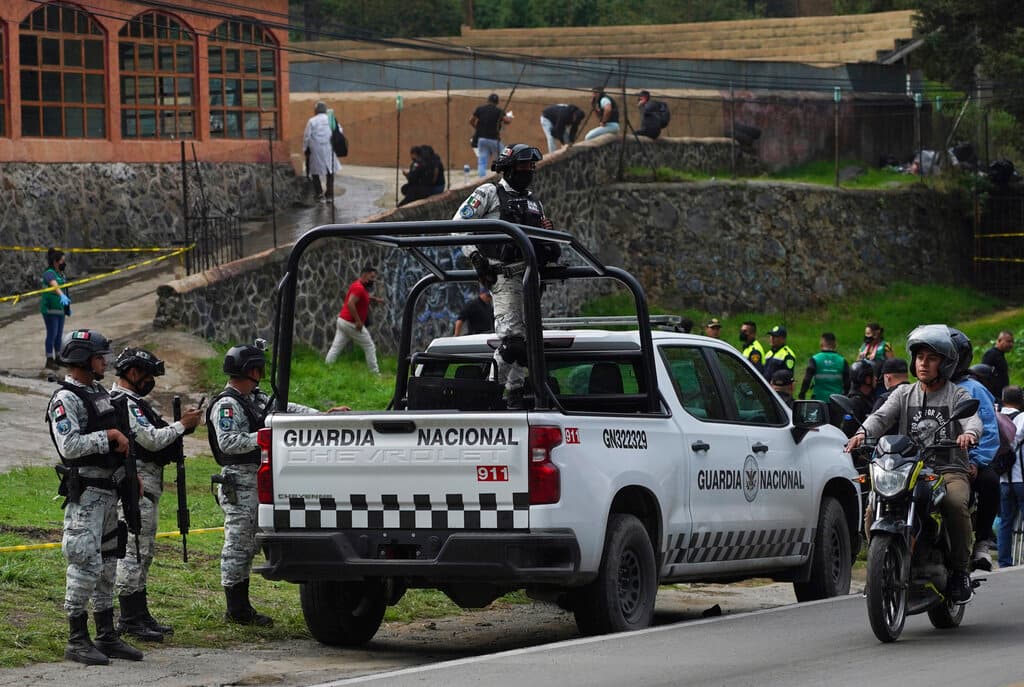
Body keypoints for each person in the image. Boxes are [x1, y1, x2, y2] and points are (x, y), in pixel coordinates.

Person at [207, 343, 349, 626]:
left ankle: (241, 607)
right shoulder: (227, 405)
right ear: (249, 370)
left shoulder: (257, 398)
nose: (261, 374)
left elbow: (287, 411)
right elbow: (228, 442)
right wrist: (265, 438)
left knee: (252, 542)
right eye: (257, 368)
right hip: (240, 479)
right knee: (239, 544)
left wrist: (321, 417)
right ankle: (236, 608)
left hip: (259, 478)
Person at [846, 324, 983, 603]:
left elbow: (973, 419)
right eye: (920, 357)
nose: (924, 363)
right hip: (908, 468)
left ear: (944, 364)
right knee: (874, 507)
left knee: (955, 505)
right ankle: (881, 569)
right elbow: (881, 417)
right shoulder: (903, 393)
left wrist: (970, 433)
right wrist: (862, 433)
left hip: (948, 470)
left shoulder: (957, 395)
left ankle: (959, 572)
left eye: (931, 358)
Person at [45, 329, 143, 665]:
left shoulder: (97, 393)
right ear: (85, 359)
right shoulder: (65, 399)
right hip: (85, 496)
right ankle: (77, 638)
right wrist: (108, 436)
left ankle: (106, 634)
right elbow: (69, 445)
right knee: (84, 565)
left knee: (108, 567)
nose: (105, 362)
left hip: (108, 493)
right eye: (100, 356)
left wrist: (130, 477)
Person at [453, 143, 558, 409]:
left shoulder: (535, 202)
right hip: (503, 276)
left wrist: (548, 232)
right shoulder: (488, 192)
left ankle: (514, 394)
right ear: (508, 168)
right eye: (523, 166)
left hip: (531, 278)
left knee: (528, 343)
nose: (528, 171)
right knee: (513, 344)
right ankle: (488, 390)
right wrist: (476, 259)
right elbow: (458, 225)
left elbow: (545, 240)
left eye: (531, 167)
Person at [111, 347, 202, 641]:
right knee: (133, 552)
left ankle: (140, 612)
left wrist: (179, 429)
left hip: (148, 488)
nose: (152, 381)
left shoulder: (136, 402)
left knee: (145, 552)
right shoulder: (123, 402)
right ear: (134, 373)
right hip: (134, 488)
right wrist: (181, 426)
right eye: (148, 375)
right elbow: (150, 440)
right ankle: (128, 617)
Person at [949, 328, 1000, 572]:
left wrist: (976, 461)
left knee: (990, 482)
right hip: (928, 461)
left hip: (965, 461)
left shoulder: (974, 390)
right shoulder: (919, 389)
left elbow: (988, 431)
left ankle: (982, 542)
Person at [325, 266, 384, 374]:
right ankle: (375, 374)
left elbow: (363, 297)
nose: (373, 280)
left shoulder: (358, 286)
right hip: (350, 323)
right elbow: (351, 303)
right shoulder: (359, 288)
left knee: (336, 347)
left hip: (342, 321)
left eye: (374, 277)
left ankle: (327, 368)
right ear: (364, 275)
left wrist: (375, 299)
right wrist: (358, 321)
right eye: (372, 277)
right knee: (369, 346)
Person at [997, 385, 1024, 568]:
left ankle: (1004, 561)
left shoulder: (996, 418)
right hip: (1021, 477)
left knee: (1005, 522)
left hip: (1003, 479)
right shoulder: (1022, 418)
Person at [302, 101, 341, 204]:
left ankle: (319, 194)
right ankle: (329, 195)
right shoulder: (331, 119)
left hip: (316, 149)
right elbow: (339, 131)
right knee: (330, 171)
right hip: (329, 147)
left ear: (315, 110)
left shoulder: (312, 121)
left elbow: (307, 136)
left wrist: (305, 149)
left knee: (314, 172)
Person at [798, 332, 850, 403]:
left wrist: (802, 395)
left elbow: (807, 379)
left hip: (819, 400)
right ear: (835, 344)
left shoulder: (815, 359)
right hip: (837, 401)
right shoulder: (842, 361)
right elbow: (848, 383)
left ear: (822, 343)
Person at [41, 248, 70, 370]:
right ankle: (49, 359)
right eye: (62, 261)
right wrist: (61, 295)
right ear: (55, 262)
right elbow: (54, 285)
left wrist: (67, 306)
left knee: (59, 335)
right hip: (50, 310)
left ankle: (58, 357)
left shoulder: (61, 274)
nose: (64, 263)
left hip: (60, 310)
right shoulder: (49, 273)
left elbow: (64, 288)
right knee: (52, 334)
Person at [470, 93, 510, 178]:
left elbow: (471, 120)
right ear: (497, 102)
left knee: (482, 161)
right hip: (494, 139)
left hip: (481, 139)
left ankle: (481, 178)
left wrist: (477, 128)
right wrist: (508, 117)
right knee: (504, 156)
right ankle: (505, 174)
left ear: (488, 100)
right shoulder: (499, 111)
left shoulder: (480, 109)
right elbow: (507, 121)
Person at [840, 360, 877, 437]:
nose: (876, 378)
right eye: (873, 376)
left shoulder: (870, 398)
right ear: (867, 379)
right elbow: (847, 430)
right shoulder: (855, 402)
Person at [857, 322, 894, 391]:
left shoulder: (885, 346)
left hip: (880, 381)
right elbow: (857, 363)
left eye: (868, 334)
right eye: (865, 334)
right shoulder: (863, 347)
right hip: (865, 381)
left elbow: (892, 363)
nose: (866, 336)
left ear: (876, 334)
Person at [982, 330, 1014, 398]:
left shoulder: (1000, 355)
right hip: (993, 396)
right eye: (1008, 341)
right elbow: (983, 374)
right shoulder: (991, 354)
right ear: (999, 340)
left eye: (1012, 342)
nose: (1011, 344)